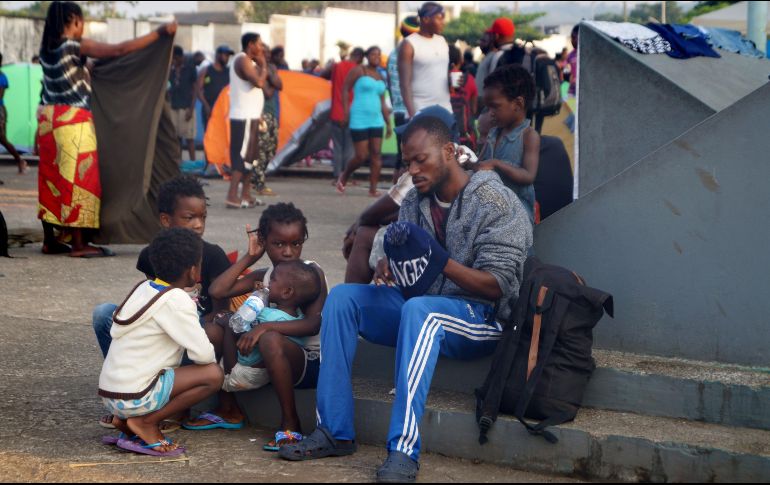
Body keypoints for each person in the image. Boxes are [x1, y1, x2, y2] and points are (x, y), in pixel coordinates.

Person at [279, 112, 532, 483]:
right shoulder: (415, 201)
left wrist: (439, 261)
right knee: (344, 299)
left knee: (420, 310)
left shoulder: (494, 202)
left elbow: (499, 285)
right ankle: (334, 431)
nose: (412, 170)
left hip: (481, 317)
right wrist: (389, 263)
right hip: (423, 307)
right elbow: (404, 254)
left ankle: (403, 450)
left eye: (420, 160)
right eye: (407, 162)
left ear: (449, 152)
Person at [184, 203, 329, 453]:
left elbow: (313, 323)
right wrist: (250, 257)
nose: (288, 252)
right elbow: (218, 290)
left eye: (295, 243)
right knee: (215, 328)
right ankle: (228, 408)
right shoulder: (268, 275)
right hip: (263, 357)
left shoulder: (309, 273)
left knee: (270, 338)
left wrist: (264, 328)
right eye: (278, 244)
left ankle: (290, 423)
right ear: (263, 241)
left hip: (306, 361)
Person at [37, 1, 176, 258]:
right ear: (74, 20)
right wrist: (158, 33)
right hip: (73, 121)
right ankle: (79, 245)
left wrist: (87, 70)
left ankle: (50, 240)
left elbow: (73, 74)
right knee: (79, 182)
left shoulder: (47, 50)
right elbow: (118, 50)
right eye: (82, 22)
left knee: (53, 181)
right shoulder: (74, 45)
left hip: (48, 120)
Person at [92, 175, 232, 429]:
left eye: (203, 217)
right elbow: (152, 298)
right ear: (166, 220)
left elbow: (222, 312)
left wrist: (185, 325)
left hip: (194, 335)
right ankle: (128, 392)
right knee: (103, 314)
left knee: (212, 330)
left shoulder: (213, 255)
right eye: (189, 217)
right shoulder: (151, 255)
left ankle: (176, 409)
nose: (198, 225)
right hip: (160, 338)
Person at [99, 227, 223, 456]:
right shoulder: (177, 299)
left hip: (110, 396)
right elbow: (204, 355)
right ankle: (147, 422)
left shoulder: (143, 288)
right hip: (135, 398)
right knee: (213, 374)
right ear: (193, 270)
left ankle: (125, 421)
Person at [477, 65, 540, 225]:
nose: (490, 112)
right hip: (490, 210)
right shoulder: (493, 132)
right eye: (488, 107)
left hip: (516, 216)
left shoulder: (528, 136)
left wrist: (496, 164)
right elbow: (480, 164)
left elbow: (528, 175)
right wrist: (466, 163)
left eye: (495, 106)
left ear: (518, 103)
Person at [336, 46, 392, 197]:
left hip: (376, 120)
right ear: (367, 56)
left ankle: (373, 189)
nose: (376, 57)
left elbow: (383, 102)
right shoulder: (359, 70)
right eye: (373, 54)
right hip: (359, 118)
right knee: (361, 156)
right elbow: (345, 89)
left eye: (379, 55)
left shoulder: (380, 76)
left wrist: (388, 123)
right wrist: (346, 112)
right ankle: (345, 175)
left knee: (376, 154)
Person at [227, 32, 268, 209]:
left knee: (252, 157)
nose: (262, 47)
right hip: (243, 117)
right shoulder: (242, 59)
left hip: (252, 116)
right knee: (242, 156)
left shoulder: (251, 63)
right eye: (259, 44)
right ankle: (232, 195)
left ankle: (246, 194)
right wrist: (264, 65)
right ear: (250, 45)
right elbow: (259, 83)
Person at [398, 2, 452, 117]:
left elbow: (442, 75)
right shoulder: (409, 44)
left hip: (445, 110)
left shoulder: (442, 41)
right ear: (426, 19)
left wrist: (453, 81)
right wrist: (413, 115)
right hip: (421, 111)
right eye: (439, 18)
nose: (443, 22)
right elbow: (404, 84)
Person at [387, 17, 420, 179]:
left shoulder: (393, 54)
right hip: (411, 110)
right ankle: (403, 192)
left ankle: (395, 190)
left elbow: (389, 82)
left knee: (401, 156)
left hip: (398, 110)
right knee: (411, 156)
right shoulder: (413, 53)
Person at [252, 45, 283, 198]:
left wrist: (270, 76)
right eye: (264, 53)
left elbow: (280, 85)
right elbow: (268, 92)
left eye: (269, 53)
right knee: (261, 150)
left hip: (272, 113)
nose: (268, 56)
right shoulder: (255, 68)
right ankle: (259, 183)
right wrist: (272, 78)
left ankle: (256, 179)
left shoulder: (270, 68)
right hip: (261, 113)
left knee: (272, 149)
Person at [330, 47, 364, 181]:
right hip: (352, 113)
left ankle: (336, 175)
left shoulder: (337, 66)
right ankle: (347, 177)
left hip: (335, 112)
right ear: (360, 57)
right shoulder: (358, 70)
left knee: (337, 147)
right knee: (350, 147)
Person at [169, 45, 199, 162]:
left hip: (186, 108)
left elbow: (195, 89)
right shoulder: (171, 69)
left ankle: (193, 163)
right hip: (174, 107)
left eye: (175, 58)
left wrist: (191, 109)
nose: (173, 61)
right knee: (176, 138)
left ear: (180, 57)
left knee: (189, 139)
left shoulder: (190, 68)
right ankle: (178, 163)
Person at [0, 52, 27, 176]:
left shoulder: (2, 77)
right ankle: (20, 160)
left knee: (2, 139)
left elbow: (0, 95)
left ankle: (20, 160)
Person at [449, 44, 478, 151]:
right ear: (460, 61)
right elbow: (474, 109)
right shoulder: (469, 79)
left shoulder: (437, 80)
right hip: (465, 138)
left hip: (443, 136)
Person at [198, 45, 233, 129]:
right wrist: (206, 106)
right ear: (218, 55)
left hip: (225, 111)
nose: (227, 58)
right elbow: (199, 90)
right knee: (210, 134)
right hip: (210, 109)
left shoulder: (229, 71)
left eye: (228, 56)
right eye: (226, 55)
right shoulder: (206, 70)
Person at [475, 30, 498, 107]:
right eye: (481, 40)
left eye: (484, 41)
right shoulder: (487, 56)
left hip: (485, 100)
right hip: (479, 98)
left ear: (492, 43)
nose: (480, 43)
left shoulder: (494, 56)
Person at [567, 25, 579, 98]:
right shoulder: (570, 55)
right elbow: (566, 72)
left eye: (574, 38)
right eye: (571, 38)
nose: (572, 41)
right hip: (572, 90)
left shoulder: (587, 55)